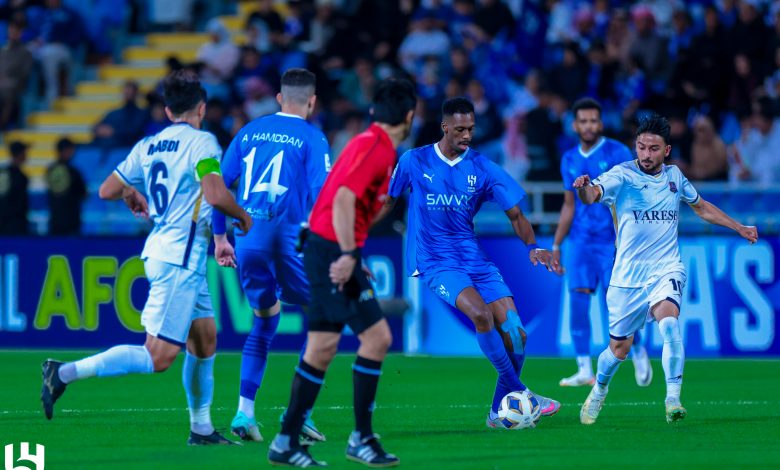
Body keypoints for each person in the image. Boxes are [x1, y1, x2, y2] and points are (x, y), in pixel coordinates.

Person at [40, 70, 253, 446]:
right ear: (201, 108)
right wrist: (243, 215)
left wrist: (131, 194)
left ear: (169, 111)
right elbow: (216, 194)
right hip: (178, 260)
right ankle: (64, 372)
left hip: (176, 254)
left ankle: (201, 429)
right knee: (157, 357)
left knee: (204, 342)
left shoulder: (149, 145)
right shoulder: (203, 143)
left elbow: (107, 189)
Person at [267, 78, 417, 468]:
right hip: (331, 251)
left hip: (327, 247)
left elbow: (337, 199)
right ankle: (351, 438)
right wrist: (349, 252)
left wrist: (352, 250)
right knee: (365, 340)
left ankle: (300, 440)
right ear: (410, 116)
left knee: (351, 342)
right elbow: (346, 199)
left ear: (373, 113)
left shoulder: (367, 142)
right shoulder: (379, 149)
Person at [386, 97, 561, 430]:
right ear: (445, 126)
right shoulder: (414, 160)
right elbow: (388, 203)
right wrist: (355, 239)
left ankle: (498, 412)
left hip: (474, 259)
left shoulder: (482, 167)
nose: (467, 135)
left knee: (517, 333)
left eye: (471, 129)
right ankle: (523, 393)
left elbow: (516, 214)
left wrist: (533, 247)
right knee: (481, 315)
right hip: (435, 261)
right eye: (461, 129)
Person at [575, 113, 758, 425]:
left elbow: (700, 206)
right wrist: (582, 188)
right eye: (641, 147)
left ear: (667, 151)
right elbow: (592, 194)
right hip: (627, 277)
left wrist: (738, 227)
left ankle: (672, 399)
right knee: (618, 349)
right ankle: (599, 390)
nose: (646, 154)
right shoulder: (622, 176)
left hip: (666, 268)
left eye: (653, 149)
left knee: (670, 325)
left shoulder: (674, 177)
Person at [212, 68, 330, 444]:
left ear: (279, 98)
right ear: (311, 102)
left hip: (247, 239)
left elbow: (218, 185)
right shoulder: (313, 137)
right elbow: (322, 195)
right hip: (288, 241)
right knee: (326, 318)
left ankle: (244, 413)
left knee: (265, 322)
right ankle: (300, 414)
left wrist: (219, 237)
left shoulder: (248, 132)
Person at [553, 98, 651, 388]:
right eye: (583, 121)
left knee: (620, 304)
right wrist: (557, 244)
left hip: (612, 241)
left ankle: (638, 350)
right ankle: (584, 368)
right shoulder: (568, 158)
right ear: (575, 125)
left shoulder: (618, 152)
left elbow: (633, 198)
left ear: (601, 122)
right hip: (580, 242)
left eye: (593, 120)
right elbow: (569, 205)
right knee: (579, 302)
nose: (589, 126)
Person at [46, 137, 87, 235]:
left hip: (55, 219)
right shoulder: (73, 171)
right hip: (71, 220)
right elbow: (83, 194)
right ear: (66, 150)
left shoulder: (50, 170)